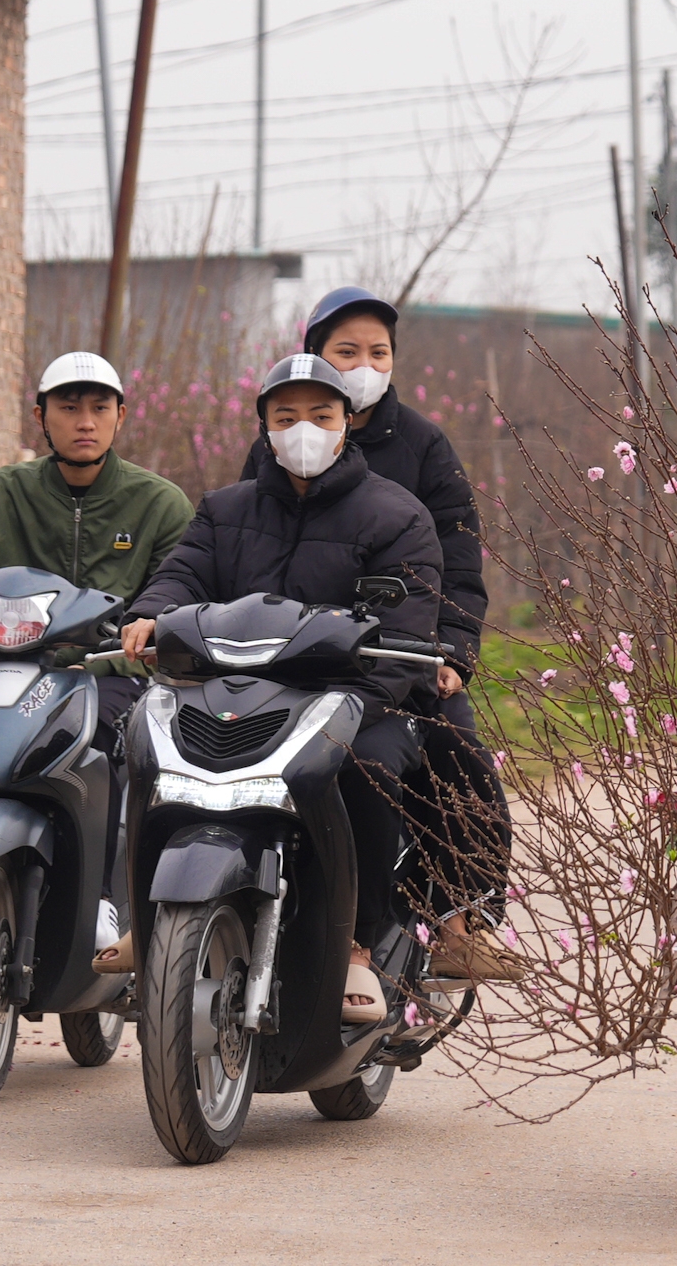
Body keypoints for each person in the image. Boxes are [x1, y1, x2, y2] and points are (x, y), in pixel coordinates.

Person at [122, 354, 443, 1023]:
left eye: (321, 415)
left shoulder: (397, 515)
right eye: (286, 416)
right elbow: (183, 575)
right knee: (147, 749)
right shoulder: (224, 507)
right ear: (264, 426)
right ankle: (150, 916)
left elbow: (409, 625)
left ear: (347, 422)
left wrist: (363, 694)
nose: (304, 429)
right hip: (237, 691)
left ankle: (361, 941)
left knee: (371, 767)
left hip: (352, 699)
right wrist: (151, 612)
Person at [239, 286, 514, 983]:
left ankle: (459, 918)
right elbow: (248, 545)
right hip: (296, 656)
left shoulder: (423, 446)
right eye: (346, 351)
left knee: (456, 752)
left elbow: (459, 557)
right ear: (312, 355)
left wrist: (450, 648)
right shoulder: (273, 450)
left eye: (378, 352)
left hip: (402, 653)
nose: (364, 365)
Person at [0, 353, 194, 961]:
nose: (85, 421)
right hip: (7, 670)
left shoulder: (160, 504)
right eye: (68, 407)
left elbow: (179, 591)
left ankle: (105, 898)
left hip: (111, 677)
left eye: (99, 408)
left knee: (105, 734)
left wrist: (126, 652)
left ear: (120, 416)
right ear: (41, 418)